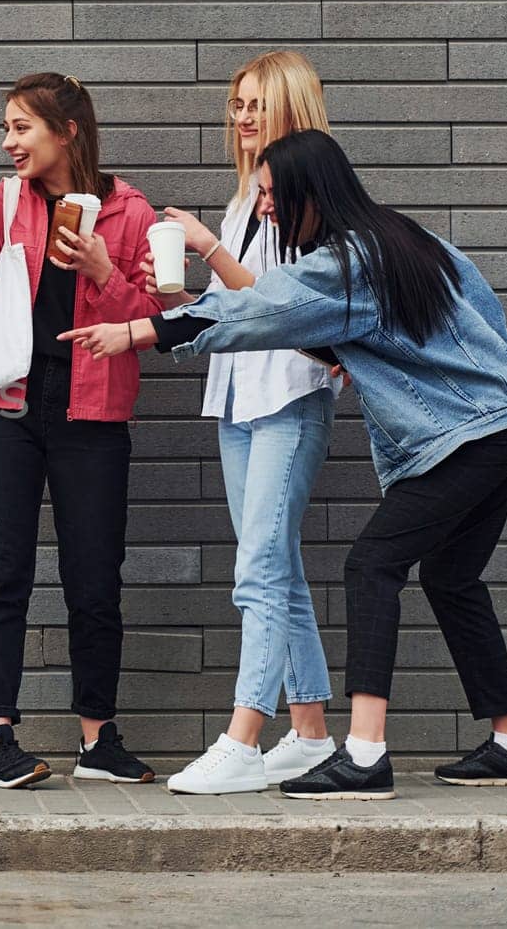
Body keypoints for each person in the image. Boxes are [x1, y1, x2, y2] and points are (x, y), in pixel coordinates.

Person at [62, 129, 507, 800]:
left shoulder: (343, 264)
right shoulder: (400, 234)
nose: (264, 207)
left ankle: (366, 753)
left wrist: (138, 331)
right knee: (451, 574)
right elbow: (469, 310)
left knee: (372, 563)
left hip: (468, 436)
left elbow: (256, 309)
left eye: (269, 195)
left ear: (307, 196)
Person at [0, 73, 164, 789]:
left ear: (67, 131)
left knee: (95, 579)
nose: (7, 143)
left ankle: (98, 738)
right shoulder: (1, 202)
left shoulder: (128, 210)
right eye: (6, 128)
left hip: (93, 412)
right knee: (4, 573)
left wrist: (103, 271)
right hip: (7, 408)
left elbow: (155, 318)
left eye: (22, 128)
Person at [148, 52, 343, 795]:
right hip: (238, 399)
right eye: (236, 104)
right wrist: (168, 302)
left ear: (291, 106)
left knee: (257, 569)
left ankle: (243, 738)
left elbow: (278, 302)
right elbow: (233, 307)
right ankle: (313, 732)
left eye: (257, 103)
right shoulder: (244, 200)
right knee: (276, 565)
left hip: (289, 398)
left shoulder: (312, 195)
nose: (243, 116)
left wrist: (207, 248)